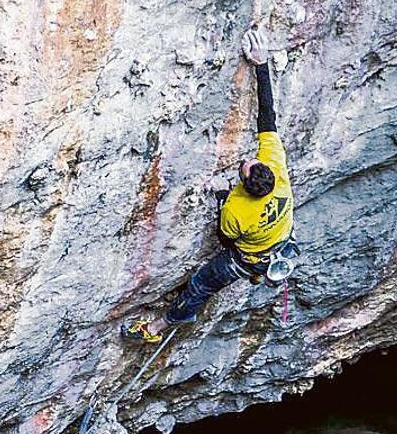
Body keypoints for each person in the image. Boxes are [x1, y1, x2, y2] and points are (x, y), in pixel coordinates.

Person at [122, 29, 295, 343]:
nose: (248, 159)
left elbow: (226, 238)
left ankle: (162, 325)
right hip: (278, 238)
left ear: (244, 185)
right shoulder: (277, 170)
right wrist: (261, 64)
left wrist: (220, 197)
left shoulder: (237, 209)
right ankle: (261, 269)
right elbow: (267, 116)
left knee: (201, 284)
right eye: (253, 161)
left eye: (245, 165)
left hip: (247, 259)